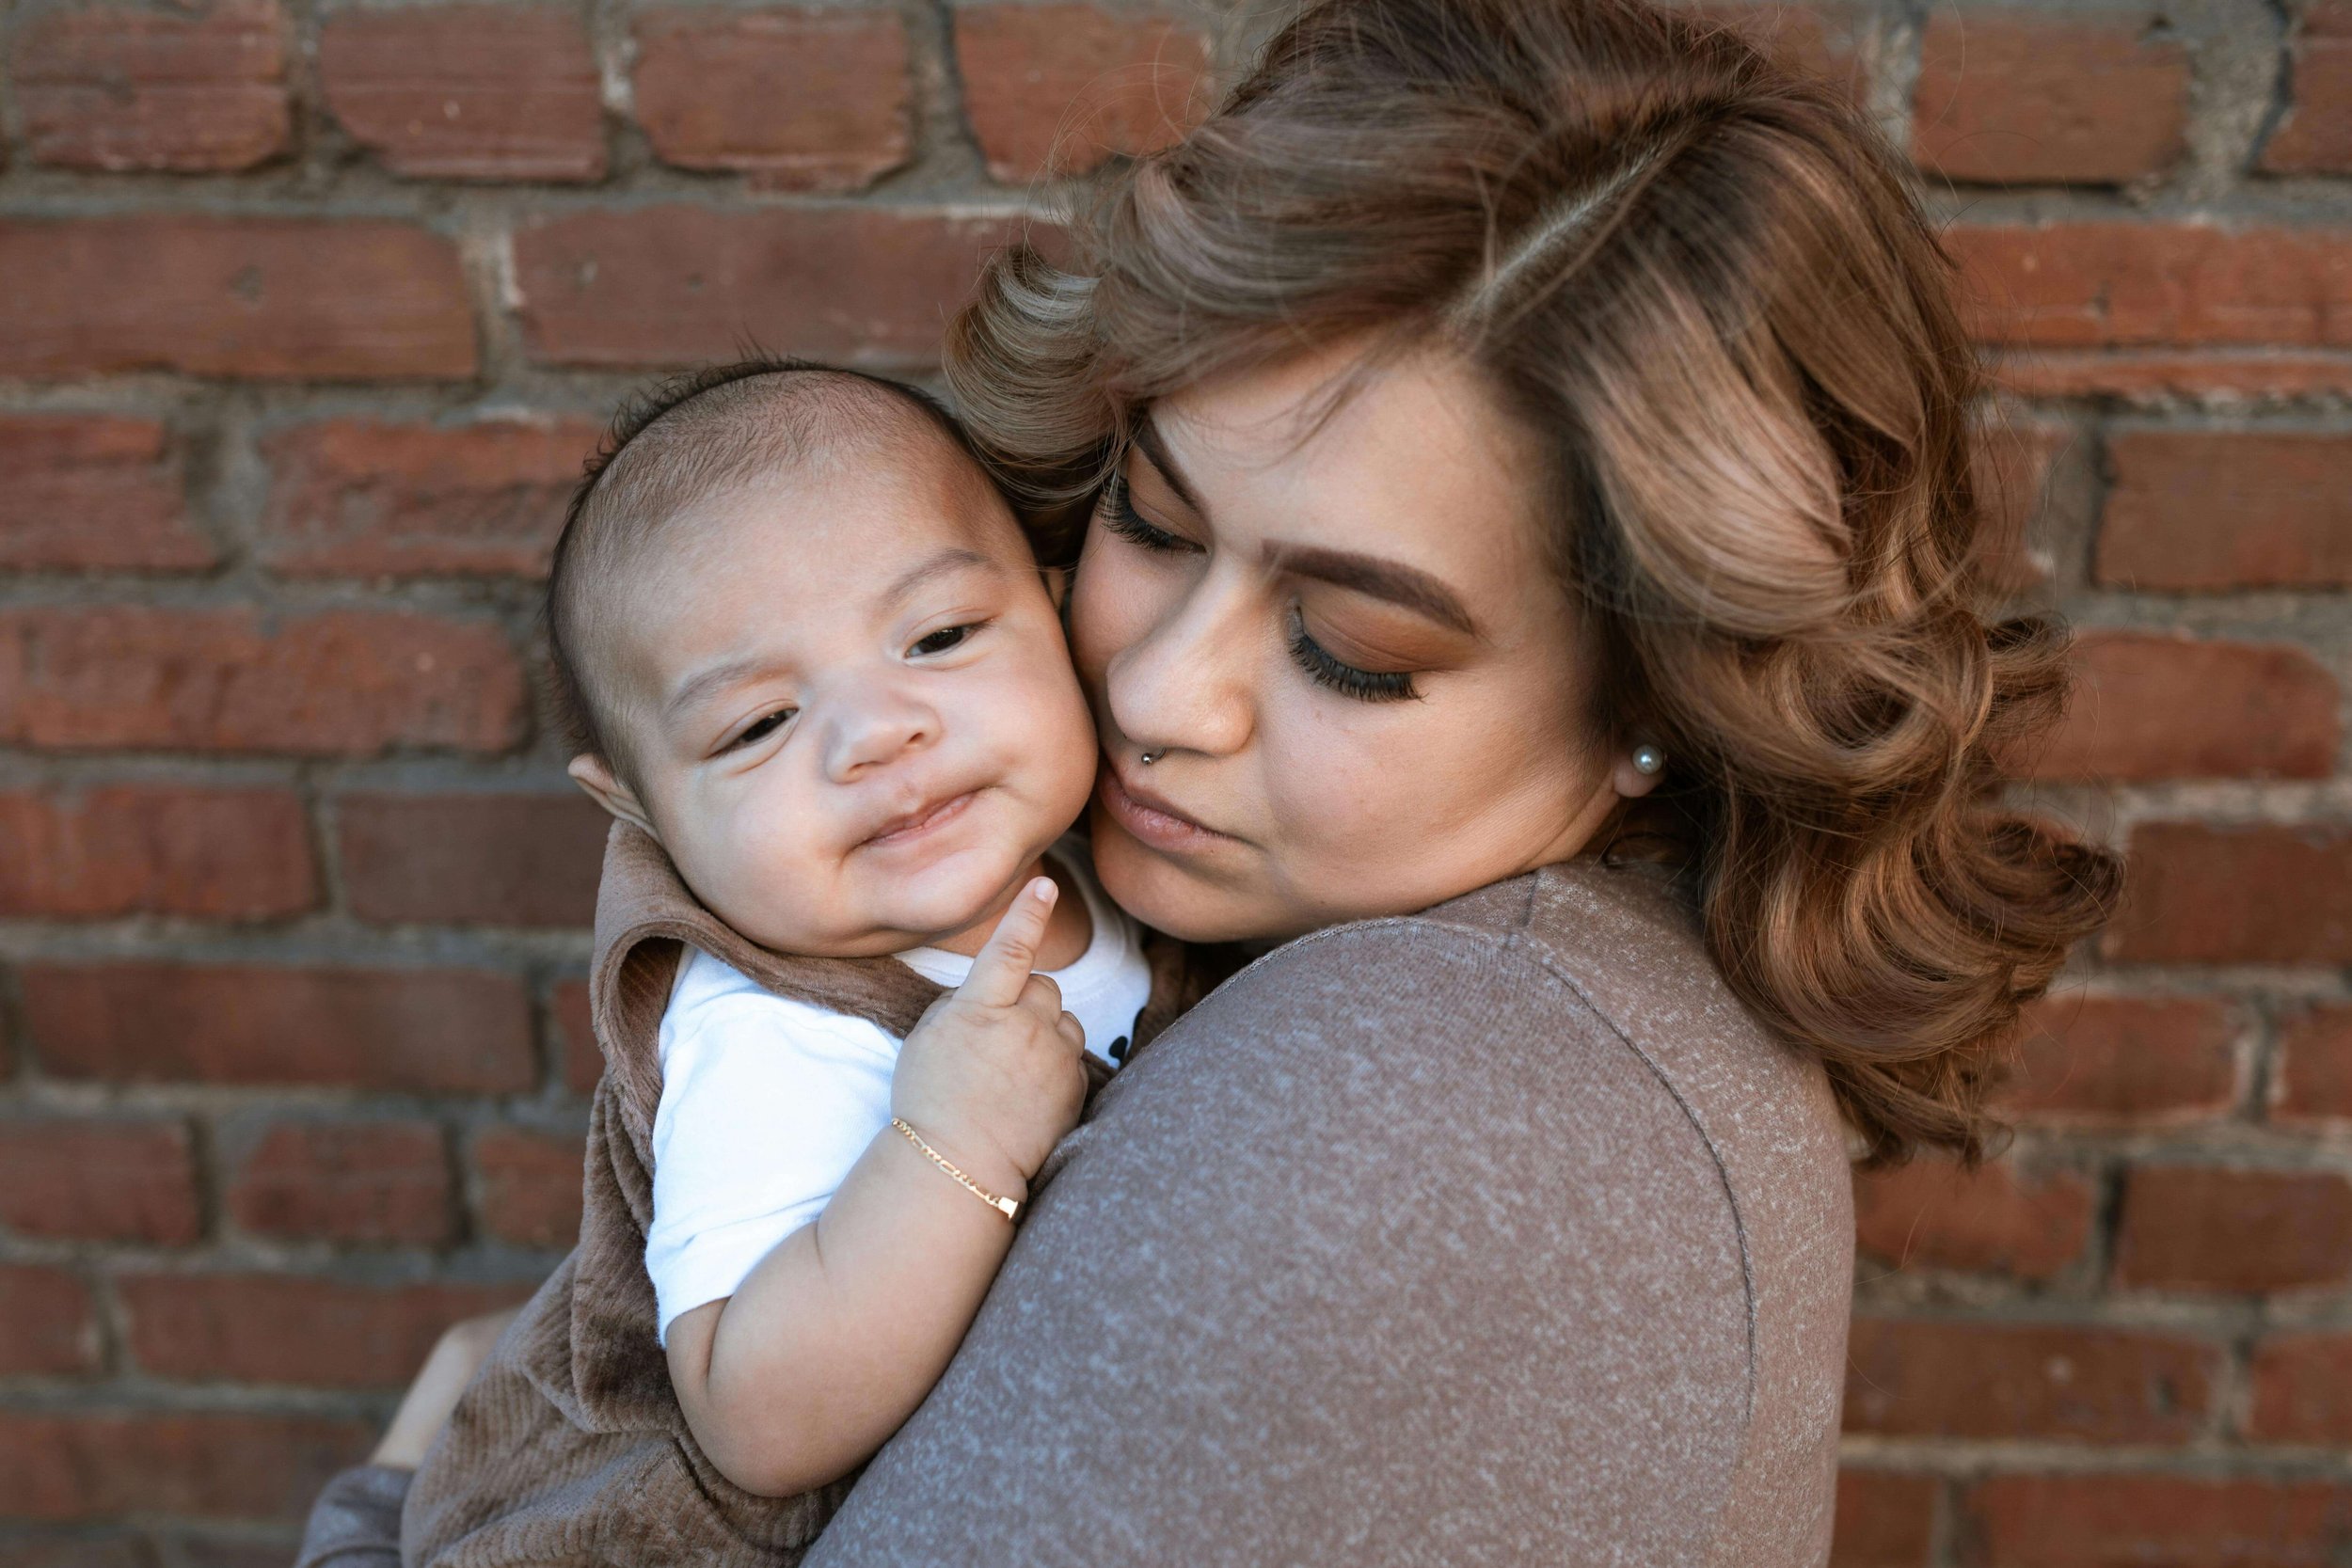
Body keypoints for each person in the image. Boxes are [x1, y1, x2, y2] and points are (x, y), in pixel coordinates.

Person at [299, 0, 2119, 1560]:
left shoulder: (1375, 1116)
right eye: (1152, 523)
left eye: (1352, 650)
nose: (1159, 698)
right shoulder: (1175, 919)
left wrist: (383, 1494)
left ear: (1666, 689)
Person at [400, 362, 1201, 1566]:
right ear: (641, 811)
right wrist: (957, 1146)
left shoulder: (1104, 860)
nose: (879, 732)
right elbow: (756, 1420)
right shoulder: (770, 1031)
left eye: (939, 636)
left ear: (1054, 610)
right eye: (758, 723)